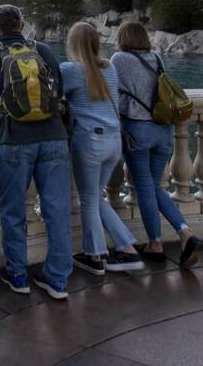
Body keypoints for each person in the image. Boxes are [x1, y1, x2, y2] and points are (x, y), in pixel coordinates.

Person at [0, 4, 72, 299]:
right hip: (54, 137)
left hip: (15, 141)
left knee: (12, 211)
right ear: (21, 24)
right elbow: (59, 87)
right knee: (57, 210)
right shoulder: (41, 49)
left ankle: (18, 275)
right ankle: (57, 279)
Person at [111, 21, 203, 267]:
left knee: (144, 187)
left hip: (138, 131)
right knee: (155, 186)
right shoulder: (156, 58)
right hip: (163, 130)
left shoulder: (119, 59)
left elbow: (110, 92)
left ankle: (155, 243)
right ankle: (185, 231)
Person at [62, 22, 143, 275]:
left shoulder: (71, 70)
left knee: (88, 199)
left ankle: (95, 255)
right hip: (113, 142)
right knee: (96, 197)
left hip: (90, 141)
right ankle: (128, 248)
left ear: (72, 44)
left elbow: (52, 96)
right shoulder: (109, 68)